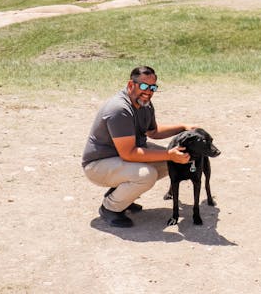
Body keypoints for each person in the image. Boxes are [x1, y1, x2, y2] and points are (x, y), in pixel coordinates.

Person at [81, 66, 193, 227]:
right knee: (146, 175)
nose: (148, 91)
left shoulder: (145, 103)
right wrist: (169, 154)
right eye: (144, 86)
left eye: (153, 87)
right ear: (131, 85)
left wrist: (183, 127)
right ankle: (110, 208)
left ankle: (120, 196)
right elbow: (129, 154)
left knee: (172, 162)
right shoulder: (119, 109)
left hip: (118, 159)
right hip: (98, 165)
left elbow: (153, 132)